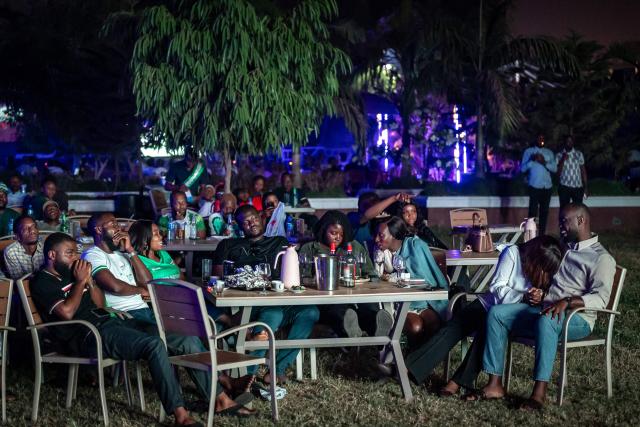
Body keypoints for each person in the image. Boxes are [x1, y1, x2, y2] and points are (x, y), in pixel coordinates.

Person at [33, 232, 256, 422]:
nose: (75, 257)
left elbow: (100, 304)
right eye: (69, 253)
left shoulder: (72, 274)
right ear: (52, 255)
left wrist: (89, 282)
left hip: (109, 322)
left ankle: (220, 399)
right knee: (153, 345)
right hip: (85, 336)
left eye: (75, 251)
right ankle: (180, 414)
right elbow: (67, 313)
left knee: (184, 338)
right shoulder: (42, 281)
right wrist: (81, 281)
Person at [477, 203, 615, 410]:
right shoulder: (564, 248)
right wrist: (541, 292)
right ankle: (495, 384)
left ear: (581, 221)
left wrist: (567, 301)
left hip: (577, 317)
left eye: (563, 222)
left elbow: (601, 298)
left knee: (546, 321)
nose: (560, 226)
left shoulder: (600, 258)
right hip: (546, 308)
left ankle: (539, 393)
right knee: (497, 313)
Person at [405, 236, 563, 398]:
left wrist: (541, 295)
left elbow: (551, 292)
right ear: (534, 257)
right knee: (452, 329)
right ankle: (410, 369)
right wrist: (523, 297)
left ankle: (455, 383)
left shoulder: (546, 270)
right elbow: (496, 288)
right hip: (486, 305)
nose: (544, 273)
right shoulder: (512, 253)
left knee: (485, 334)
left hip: (509, 315)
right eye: (542, 267)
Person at [212, 205, 319, 384]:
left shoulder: (278, 242)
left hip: (279, 300)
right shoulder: (228, 245)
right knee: (272, 314)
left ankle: (278, 369)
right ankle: (249, 375)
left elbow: (294, 275)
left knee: (311, 312)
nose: (251, 223)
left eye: (254, 218)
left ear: (262, 219)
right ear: (239, 227)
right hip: (247, 305)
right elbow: (217, 278)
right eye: (245, 222)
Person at [298, 211, 392, 338]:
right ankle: (349, 329)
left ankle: (376, 324)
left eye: (341, 234)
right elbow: (301, 279)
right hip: (327, 299)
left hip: (356, 295)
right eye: (333, 233)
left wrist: (367, 282)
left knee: (368, 307)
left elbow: (371, 273)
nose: (337, 238)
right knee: (339, 311)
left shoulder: (354, 247)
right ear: (323, 230)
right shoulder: (309, 249)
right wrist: (316, 279)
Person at [128, 220, 234, 329]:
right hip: (167, 302)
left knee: (218, 306)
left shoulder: (163, 254)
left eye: (160, 233)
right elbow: (146, 286)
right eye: (156, 234)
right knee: (222, 318)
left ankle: (228, 330)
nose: (161, 237)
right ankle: (234, 329)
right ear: (144, 240)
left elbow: (181, 277)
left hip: (183, 295)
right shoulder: (138, 261)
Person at [373, 217, 449, 347]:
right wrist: (378, 263)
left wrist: (395, 278)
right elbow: (376, 280)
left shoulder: (415, 246)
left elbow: (425, 279)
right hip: (400, 304)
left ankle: (422, 361)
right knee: (416, 326)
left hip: (423, 302)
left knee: (433, 322)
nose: (376, 239)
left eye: (381, 235)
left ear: (395, 235)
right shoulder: (382, 251)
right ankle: (408, 360)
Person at [521, 134, 557, 234]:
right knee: (532, 213)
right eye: (539, 138)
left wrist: (543, 162)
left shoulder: (549, 152)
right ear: (535, 140)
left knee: (544, 213)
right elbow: (522, 168)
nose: (541, 140)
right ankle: (530, 235)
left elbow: (555, 169)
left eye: (543, 138)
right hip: (534, 186)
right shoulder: (529, 152)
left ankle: (541, 235)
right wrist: (532, 160)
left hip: (547, 187)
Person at [556, 135, 588, 208]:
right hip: (564, 187)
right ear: (564, 142)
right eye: (567, 141)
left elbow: (583, 171)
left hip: (577, 187)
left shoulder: (579, 154)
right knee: (564, 210)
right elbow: (558, 173)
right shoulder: (559, 155)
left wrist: (586, 187)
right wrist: (563, 159)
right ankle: (563, 220)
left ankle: (581, 220)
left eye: (571, 141)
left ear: (573, 142)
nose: (569, 143)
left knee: (579, 210)